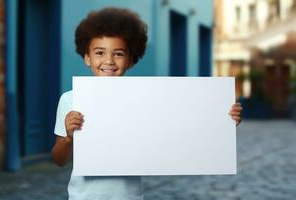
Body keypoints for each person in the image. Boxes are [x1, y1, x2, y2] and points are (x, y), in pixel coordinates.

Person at [51, 7, 242, 200]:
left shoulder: (144, 99)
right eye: (100, 52)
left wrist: (223, 120)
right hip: (82, 197)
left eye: (118, 53)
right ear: (87, 58)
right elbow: (59, 160)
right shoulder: (71, 99)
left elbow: (181, 125)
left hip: (130, 196)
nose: (109, 60)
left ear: (131, 61)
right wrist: (68, 137)